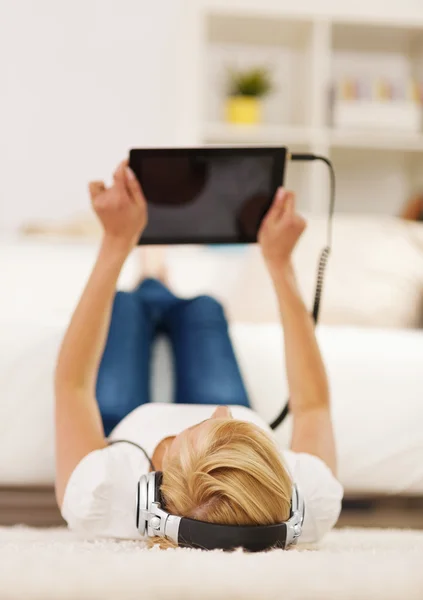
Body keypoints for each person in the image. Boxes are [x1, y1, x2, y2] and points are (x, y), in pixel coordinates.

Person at [54, 160, 343, 548]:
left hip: (128, 421)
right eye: (239, 431)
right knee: (205, 307)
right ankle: (160, 280)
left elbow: (72, 386)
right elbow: (312, 407)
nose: (222, 410)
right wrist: (280, 264)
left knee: (124, 305)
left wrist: (116, 243)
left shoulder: (100, 491)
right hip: (222, 455)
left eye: (205, 428)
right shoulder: (314, 498)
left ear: (152, 491)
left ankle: (150, 276)